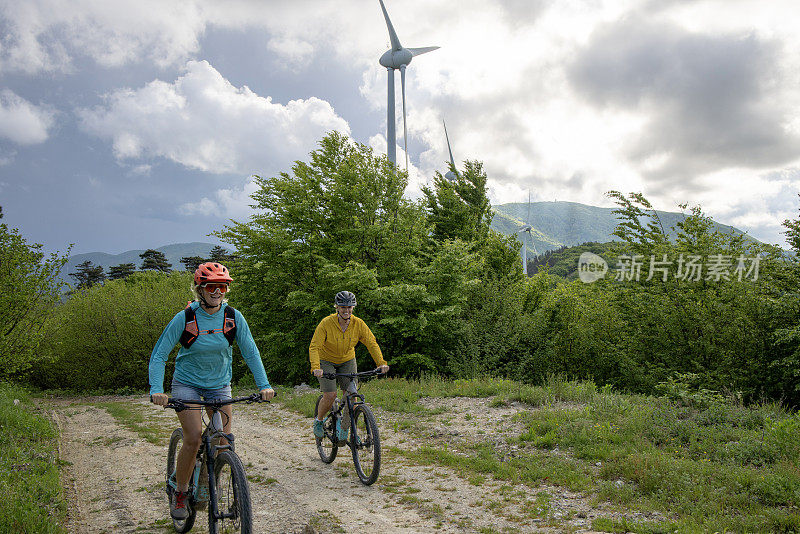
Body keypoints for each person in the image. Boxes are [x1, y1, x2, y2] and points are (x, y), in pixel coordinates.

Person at [149, 262, 274, 520]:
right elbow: (160, 354)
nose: (217, 292)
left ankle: (207, 483)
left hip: (219, 384)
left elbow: (251, 352)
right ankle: (181, 492)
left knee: (223, 441)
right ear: (200, 289)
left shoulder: (233, 317)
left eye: (222, 287)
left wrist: (264, 385)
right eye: (211, 286)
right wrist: (156, 389)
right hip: (187, 384)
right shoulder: (185, 318)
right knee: (194, 437)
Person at [309, 290, 389, 442]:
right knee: (331, 395)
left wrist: (381, 363)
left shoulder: (358, 324)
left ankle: (345, 429)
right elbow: (314, 346)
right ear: (337, 308)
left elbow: (371, 343)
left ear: (353, 308)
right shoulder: (326, 323)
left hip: (347, 360)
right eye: (343, 307)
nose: (346, 310)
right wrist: (315, 367)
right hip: (326, 360)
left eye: (349, 307)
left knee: (352, 395)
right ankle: (319, 421)